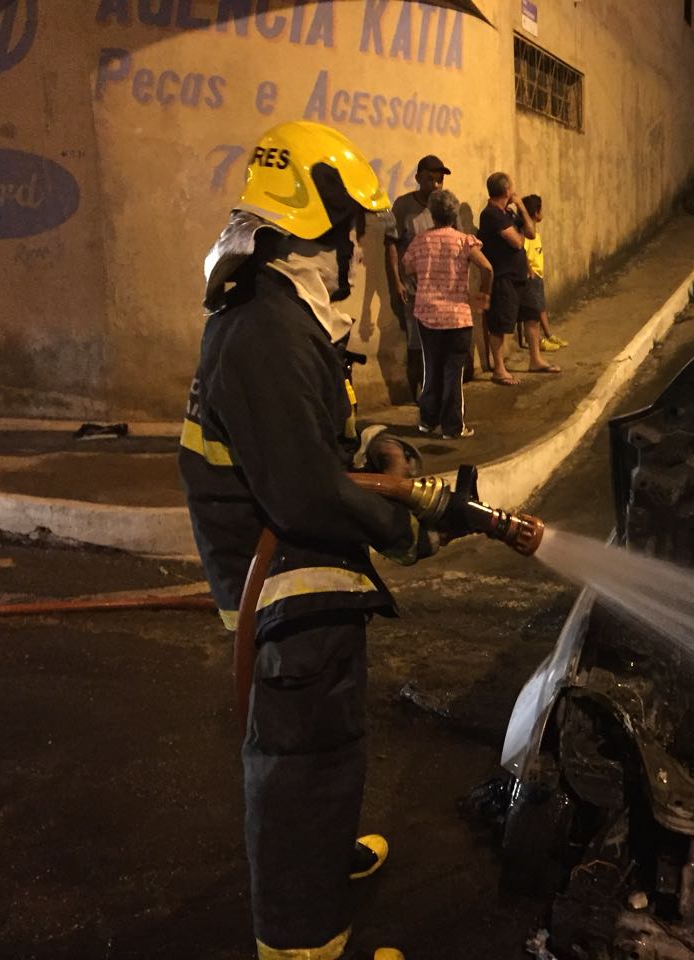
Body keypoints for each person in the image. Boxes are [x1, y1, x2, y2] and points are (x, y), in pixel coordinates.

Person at [181, 120, 456, 960]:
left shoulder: (282, 313)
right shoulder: (264, 329)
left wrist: (378, 448)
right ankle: (302, 941)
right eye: (353, 230)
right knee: (301, 756)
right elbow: (302, 492)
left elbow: (318, 437)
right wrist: (398, 525)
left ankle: (322, 862)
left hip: (304, 564)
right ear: (320, 222)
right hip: (286, 580)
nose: (358, 247)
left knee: (329, 739)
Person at [401, 189, 494, 439]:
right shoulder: (464, 241)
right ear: (453, 214)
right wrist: (484, 295)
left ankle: (427, 421)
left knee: (431, 368)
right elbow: (487, 268)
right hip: (457, 317)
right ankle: (453, 427)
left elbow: (407, 266)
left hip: (427, 314)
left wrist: (424, 281)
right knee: (454, 372)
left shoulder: (420, 241)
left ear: (432, 214)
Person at [384, 155, 451, 401]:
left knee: (438, 344)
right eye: (430, 179)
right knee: (416, 344)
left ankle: (435, 391)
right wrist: (397, 282)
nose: (435, 185)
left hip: (439, 291)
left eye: (439, 181)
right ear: (418, 178)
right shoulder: (403, 207)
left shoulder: (443, 207)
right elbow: (391, 245)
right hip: (413, 291)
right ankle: (418, 393)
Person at [478, 172, 541, 385]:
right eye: (512, 188)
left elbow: (531, 233)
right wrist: (519, 234)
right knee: (500, 324)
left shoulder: (510, 214)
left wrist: (521, 207)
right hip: (504, 278)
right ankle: (499, 369)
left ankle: (535, 360)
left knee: (532, 314)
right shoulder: (490, 215)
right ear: (506, 190)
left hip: (521, 275)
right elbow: (517, 242)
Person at [519, 194, 569, 359]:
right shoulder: (526, 233)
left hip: (538, 274)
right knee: (534, 310)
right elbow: (523, 251)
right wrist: (529, 269)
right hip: (532, 275)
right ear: (535, 213)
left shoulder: (534, 232)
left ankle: (548, 334)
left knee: (540, 306)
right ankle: (539, 340)